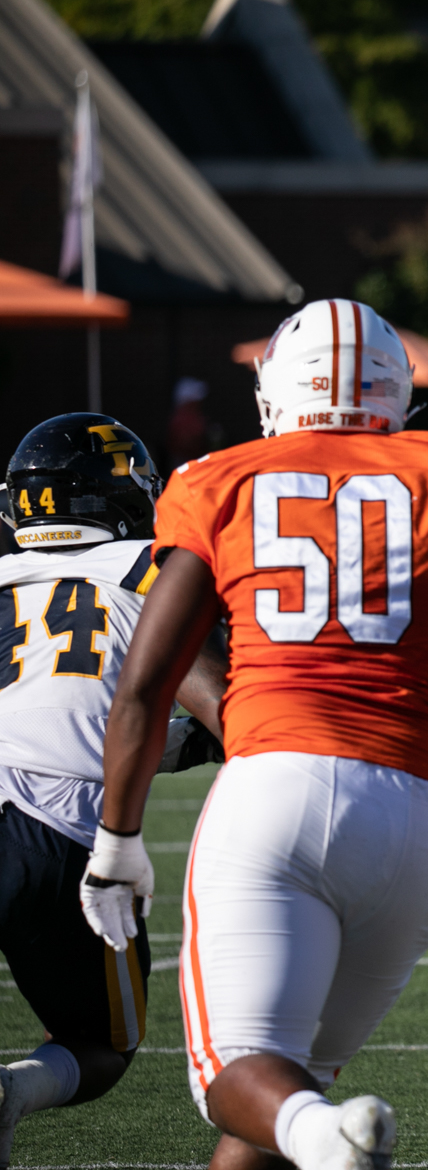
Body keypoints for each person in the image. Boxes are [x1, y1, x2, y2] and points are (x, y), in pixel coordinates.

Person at [81, 299, 428, 1170]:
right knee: (284, 1101)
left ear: (275, 391)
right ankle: (329, 1137)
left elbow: (144, 682)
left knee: (234, 1080)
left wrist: (118, 837)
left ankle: (328, 1140)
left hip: (273, 793)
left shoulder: (220, 479)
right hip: (414, 820)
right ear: (398, 394)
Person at [0, 414, 227, 1166]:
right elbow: (221, 711)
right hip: (58, 834)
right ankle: (16, 1092)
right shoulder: (149, 567)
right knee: (100, 1046)